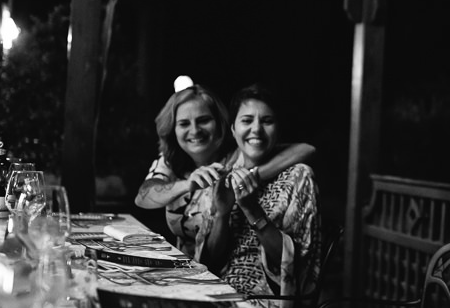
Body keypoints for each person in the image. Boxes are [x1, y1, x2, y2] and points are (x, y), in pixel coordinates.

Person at [135, 83, 315, 258]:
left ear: (220, 123)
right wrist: (187, 184)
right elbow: (143, 198)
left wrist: (252, 175)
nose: (195, 130)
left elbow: (305, 149)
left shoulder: (239, 153)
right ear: (173, 129)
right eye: (184, 124)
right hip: (179, 264)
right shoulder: (171, 160)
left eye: (203, 120)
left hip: (218, 267)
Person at [199, 84, 321, 308]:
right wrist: (221, 213)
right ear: (233, 129)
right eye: (247, 120)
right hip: (217, 290)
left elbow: (294, 264)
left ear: (278, 130)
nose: (256, 129)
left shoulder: (298, 176)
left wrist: (251, 209)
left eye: (267, 121)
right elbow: (210, 261)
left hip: (268, 300)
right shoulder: (223, 174)